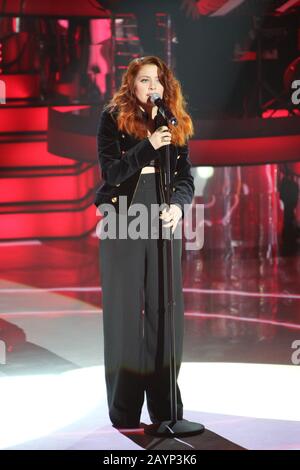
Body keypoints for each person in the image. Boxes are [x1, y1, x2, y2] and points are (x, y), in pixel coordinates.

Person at [95, 56, 194, 429]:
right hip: (123, 218)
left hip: (162, 220)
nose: (153, 87)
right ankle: (124, 410)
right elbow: (112, 172)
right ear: (131, 85)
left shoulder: (173, 121)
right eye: (145, 80)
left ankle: (166, 408)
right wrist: (149, 144)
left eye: (158, 81)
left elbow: (185, 176)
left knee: (165, 311)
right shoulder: (112, 118)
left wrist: (180, 207)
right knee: (124, 312)